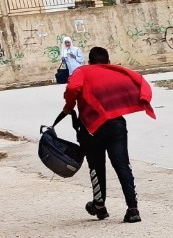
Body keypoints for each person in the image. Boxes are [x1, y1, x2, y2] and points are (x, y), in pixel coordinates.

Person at [62, 47, 154, 223]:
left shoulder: (83, 71)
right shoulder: (116, 71)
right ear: (108, 62)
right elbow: (141, 82)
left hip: (92, 128)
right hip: (116, 125)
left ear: (89, 62)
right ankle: (133, 209)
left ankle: (99, 206)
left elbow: (73, 86)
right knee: (122, 165)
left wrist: (69, 105)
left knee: (96, 167)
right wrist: (143, 99)